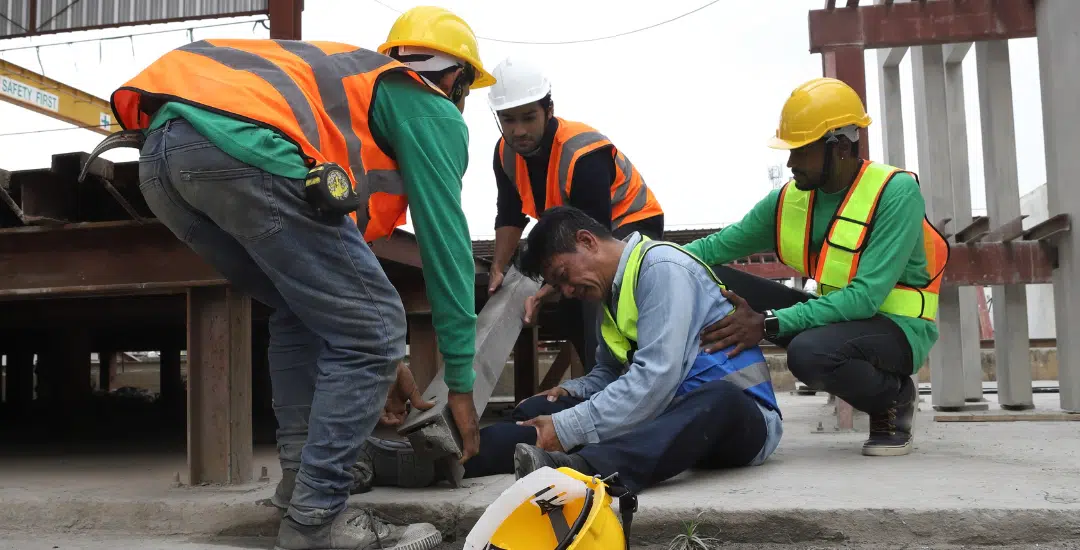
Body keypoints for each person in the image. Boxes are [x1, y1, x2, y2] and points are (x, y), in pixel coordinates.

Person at [104, 6, 495, 549]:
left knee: (302, 312)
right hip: (242, 147)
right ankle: (316, 523)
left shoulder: (354, 95)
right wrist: (459, 383)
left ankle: (298, 494)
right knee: (374, 327)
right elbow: (446, 243)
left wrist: (387, 362)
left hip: (164, 158)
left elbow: (336, 285)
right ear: (456, 80)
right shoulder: (428, 105)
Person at [685, 77, 949, 458]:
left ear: (839, 147)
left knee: (808, 354)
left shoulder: (895, 193)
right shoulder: (791, 199)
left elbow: (865, 298)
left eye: (800, 151)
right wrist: (640, 260)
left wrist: (767, 322)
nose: (790, 162)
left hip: (896, 329)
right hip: (839, 319)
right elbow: (713, 248)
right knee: (709, 276)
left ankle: (893, 397)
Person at [464, 206, 783, 494]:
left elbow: (656, 377)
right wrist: (570, 391)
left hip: (740, 419)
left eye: (563, 276)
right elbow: (609, 374)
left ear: (587, 241)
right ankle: (453, 459)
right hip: (666, 413)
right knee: (537, 411)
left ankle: (583, 468)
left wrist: (568, 427)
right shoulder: (611, 297)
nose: (568, 291)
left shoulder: (662, 267)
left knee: (719, 399)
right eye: (559, 287)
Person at [484, 56, 665, 374]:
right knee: (570, 309)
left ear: (548, 110)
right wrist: (498, 267)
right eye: (508, 120)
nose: (519, 130)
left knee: (595, 297)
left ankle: (628, 381)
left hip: (629, 224)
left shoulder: (583, 151)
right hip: (574, 233)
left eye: (528, 117)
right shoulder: (505, 154)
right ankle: (598, 382)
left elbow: (591, 243)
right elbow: (510, 214)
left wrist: (542, 291)